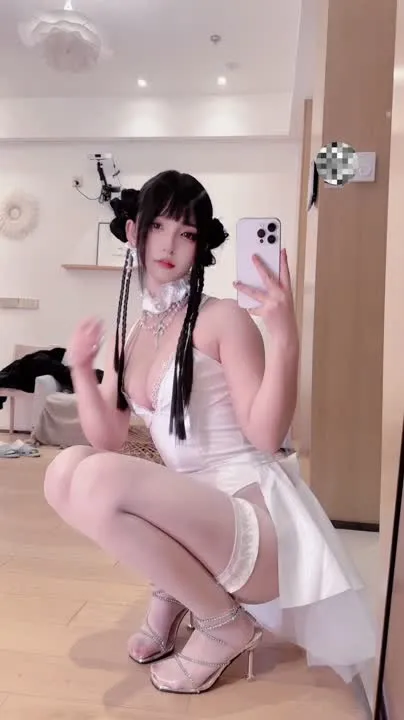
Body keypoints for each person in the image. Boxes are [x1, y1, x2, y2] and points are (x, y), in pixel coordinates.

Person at [44, 170, 375, 695]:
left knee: (97, 478)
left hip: (255, 526)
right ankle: (177, 589)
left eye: (187, 233)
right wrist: (82, 371)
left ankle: (224, 624)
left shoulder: (223, 318)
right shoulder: (134, 332)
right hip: (197, 516)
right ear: (133, 232)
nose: (170, 245)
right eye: (158, 227)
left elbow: (266, 437)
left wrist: (285, 338)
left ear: (201, 246)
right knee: (64, 470)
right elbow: (107, 437)